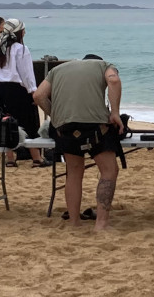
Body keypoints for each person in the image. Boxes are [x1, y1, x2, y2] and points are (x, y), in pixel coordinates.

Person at [35, 54, 124, 231]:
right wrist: (115, 112)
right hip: (95, 126)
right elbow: (114, 81)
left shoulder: (57, 70)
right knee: (109, 171)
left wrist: (56, 116)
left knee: (74, 173)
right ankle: (101, 223)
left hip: (65, 127)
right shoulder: (104, 65)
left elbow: (38, 96)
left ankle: (74, 222)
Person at [0, 19, 47, 167]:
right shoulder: (21, 49)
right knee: (29, 122)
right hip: (17, 89)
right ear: (19, 32)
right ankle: (37, 158)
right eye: (23, 30)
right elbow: (27, 74)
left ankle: (10, 159)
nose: (25, 32)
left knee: (5, 121)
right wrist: (33, 91)